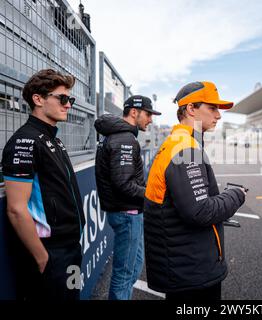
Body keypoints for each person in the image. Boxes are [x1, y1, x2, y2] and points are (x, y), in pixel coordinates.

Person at [143, 81, 246, 301]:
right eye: (212, 108)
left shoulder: (179, 143)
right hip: (190, 272)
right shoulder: (184, 148)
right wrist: (236, 196)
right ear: (191, 109)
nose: (218, 115)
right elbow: (200, 211)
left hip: (184, 265)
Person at [1, 69, 85, 300]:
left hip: (70, 249)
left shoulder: (53, 139)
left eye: (71, 100)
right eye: (63, 98)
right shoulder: (24, 141)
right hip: (50, 253)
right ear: (38, 99)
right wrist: (41, 257)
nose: (69, 105)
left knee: (73, 296)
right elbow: (16, 209)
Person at [94, 95, 161, 300]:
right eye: (148, 114)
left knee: (133, 268)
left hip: (129, 212)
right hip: (127, 213)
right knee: (124, 274)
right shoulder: (124, 139)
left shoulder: (123, 136)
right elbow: (123, 184)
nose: (150, 119)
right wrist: (154, 194)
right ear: (134, 112)